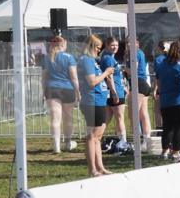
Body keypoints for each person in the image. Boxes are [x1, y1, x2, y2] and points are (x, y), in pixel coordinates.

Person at [78, 35, 116, 177]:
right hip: (91, 101)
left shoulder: (92, 61)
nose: (99, 51)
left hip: (99, 101)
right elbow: (92, 82)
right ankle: (92, 169)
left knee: (97, 137)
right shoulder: (86, 61)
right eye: (98, 48)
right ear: (91, 47)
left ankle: (100, 167)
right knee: (92, 136)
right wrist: (106, 73)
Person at [155, 40, 180, 162]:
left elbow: (159, 84)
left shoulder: (161, 65)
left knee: (167, 127)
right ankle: (176, 152)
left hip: (166, 101)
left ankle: (164, 151)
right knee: (179, 128)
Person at [41, 35, 79, 154]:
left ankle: (56, 146)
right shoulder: (69, 57)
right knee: (68, 117)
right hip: (67, 89)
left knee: (55, 119)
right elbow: (74, 77)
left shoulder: (47, 58)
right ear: (63, 44)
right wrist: (78, 91)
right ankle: (68, 143)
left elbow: (44, 77)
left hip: (52, 88)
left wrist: (43, 92)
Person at [123, 40, 153, 152]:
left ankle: (139, 141)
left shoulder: (136, 53)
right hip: (142, 83)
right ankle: (146, 141)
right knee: (143, 114)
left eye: (132, 42)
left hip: (138, 84)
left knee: (133, 115)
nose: (130, 45)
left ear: (138, 43)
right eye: (128, 43)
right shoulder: (139, 53)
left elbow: (133, 70)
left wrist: (123, 68)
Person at [101, 37, 128, 150]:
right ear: (106, 46)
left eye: (116, 45)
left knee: (106, 119)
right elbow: (109, 76)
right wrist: (114, 93)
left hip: (115, 90)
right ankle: (123, 141)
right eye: (112, 45)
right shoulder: (108, 58)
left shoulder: (110, 57)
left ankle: (96, 138)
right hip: (115, 92)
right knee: (119, 117)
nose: (115, 47)